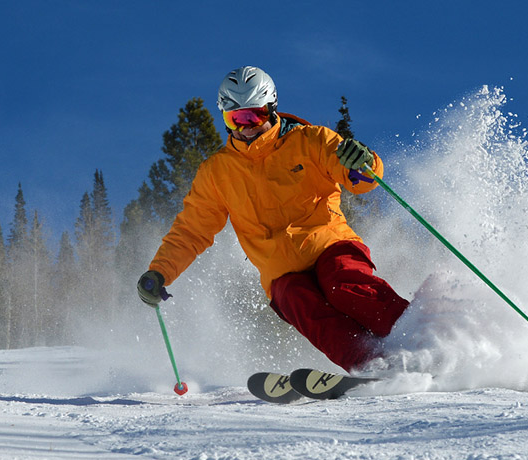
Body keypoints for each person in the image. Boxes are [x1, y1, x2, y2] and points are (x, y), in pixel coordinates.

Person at [137, 66, 409, 372]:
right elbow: (191, 230)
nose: (247, 126)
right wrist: (160, 272)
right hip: (281, 271)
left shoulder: (310, 140)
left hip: (329, 243)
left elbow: (360, 178)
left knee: (343, 285)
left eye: (255, 115)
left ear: (271, 108)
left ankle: (419, 335)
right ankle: (373, 367)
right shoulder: (218, 172)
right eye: (236, 118)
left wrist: (362, 164)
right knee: (301, 304)